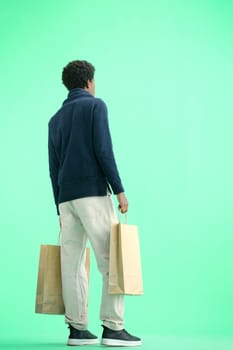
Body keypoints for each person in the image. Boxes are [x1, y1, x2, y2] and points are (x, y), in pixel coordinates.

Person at [48, 60, 141, 347]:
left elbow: (53, 167)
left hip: (66, 200)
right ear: (89, 81)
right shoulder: (95, 106)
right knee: (109, 259)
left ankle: (77, 330)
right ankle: (113, 328)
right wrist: (119, 190)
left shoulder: (55, 119)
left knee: (72, 264)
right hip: (92, 193)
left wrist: (59, 207)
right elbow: (103, 149)